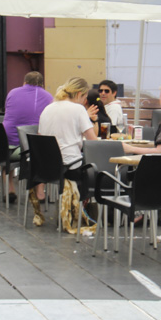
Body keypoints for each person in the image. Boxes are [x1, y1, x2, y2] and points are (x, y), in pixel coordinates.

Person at [37, 77, 98, 231]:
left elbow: (40, 135)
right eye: (85, 98)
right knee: (93, 169)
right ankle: (83, 212)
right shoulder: (78, 110)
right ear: (79, 94)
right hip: (68, 166)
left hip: (45, 165)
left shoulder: (48, 108)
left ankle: (71, 210)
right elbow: (93, 141)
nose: (85, 102)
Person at [2, 71, 54, 201]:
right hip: (33, 149)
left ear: (24, 82)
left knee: (5, 158)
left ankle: (10, 189)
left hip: (9, 148)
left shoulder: (12, 93)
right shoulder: (48, 97)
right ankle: (40, 191)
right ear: (42, 84)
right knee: (44, 152)